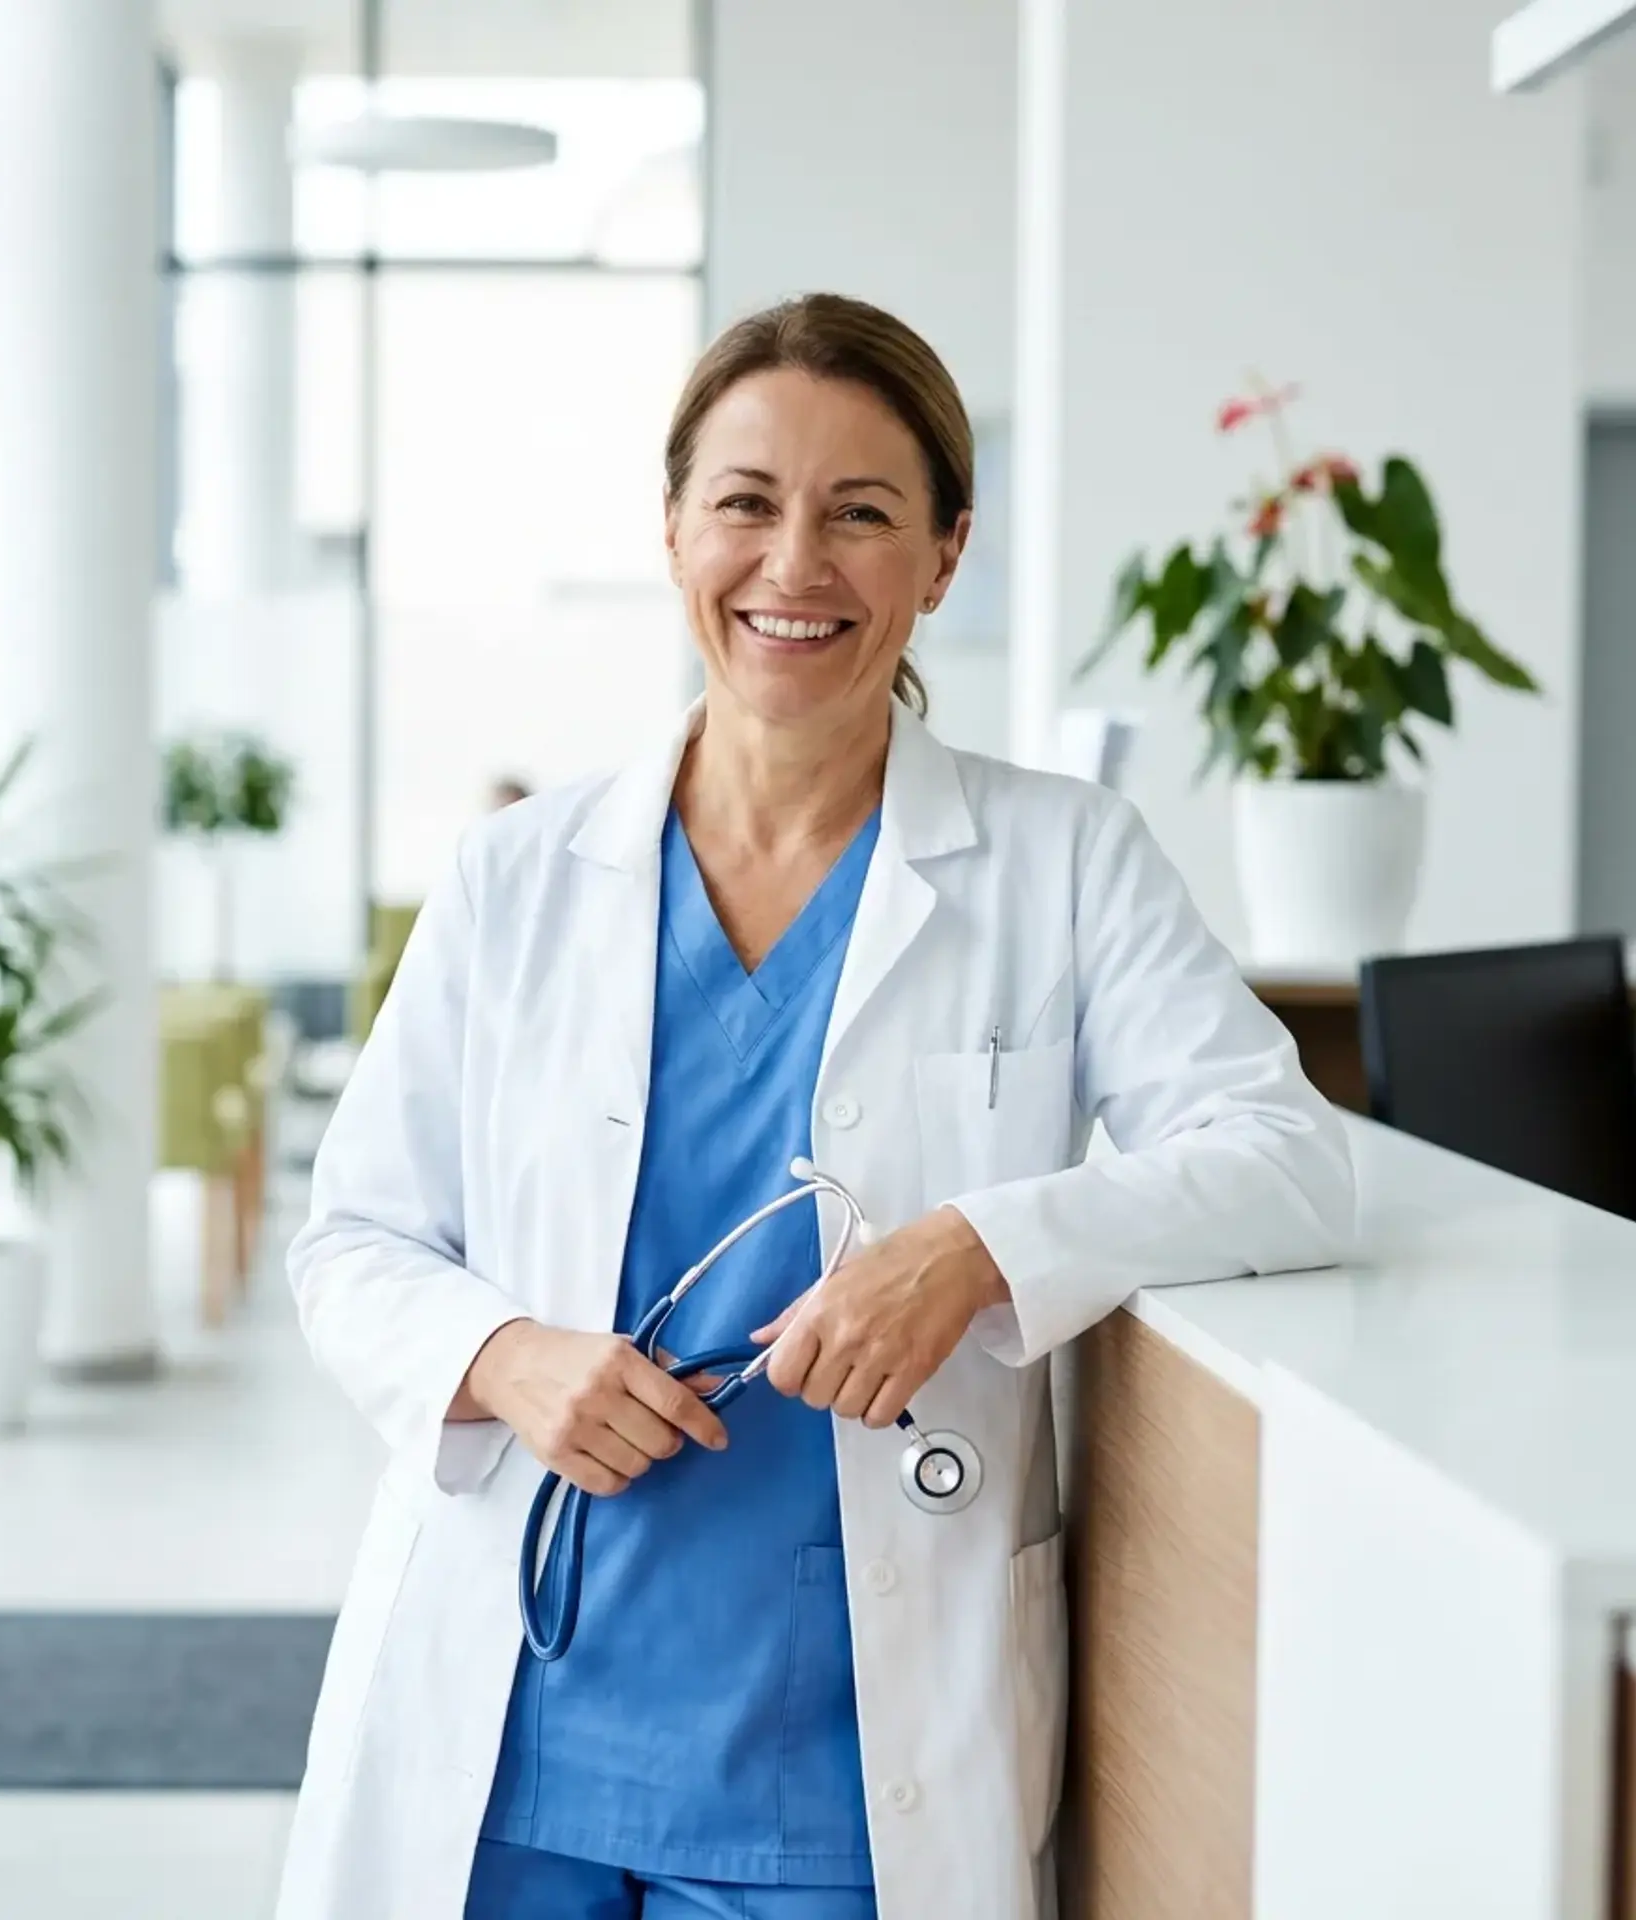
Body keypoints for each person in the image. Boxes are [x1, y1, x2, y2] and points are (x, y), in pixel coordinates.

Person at [275, 294, 1353, 1920]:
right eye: (747, 503)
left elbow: (1287, 1162)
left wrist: (980, 1246)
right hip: (514, 1728)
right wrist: (504, 1356)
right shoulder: (517, 881)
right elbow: (353, 1240)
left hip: (840, 1764)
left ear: (944, 554)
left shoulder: (1065, 861)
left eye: (862, 514)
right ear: (671, 530)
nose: (796, 565)